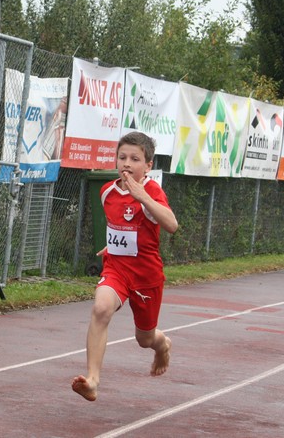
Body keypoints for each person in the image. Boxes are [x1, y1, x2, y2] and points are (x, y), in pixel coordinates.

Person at [72, 131, 178, 402]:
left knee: (145, 339)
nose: (127, 164)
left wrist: (143, 197)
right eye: (122, 157)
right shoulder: (107, 191)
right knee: (101, 308)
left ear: (148, 166)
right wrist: (112, 245)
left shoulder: (151, 191)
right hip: (117, 269)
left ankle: (162, 345)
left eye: (135, 159)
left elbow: (171, 224)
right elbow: (121, 226)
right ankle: (93, 380)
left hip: (146, 276)